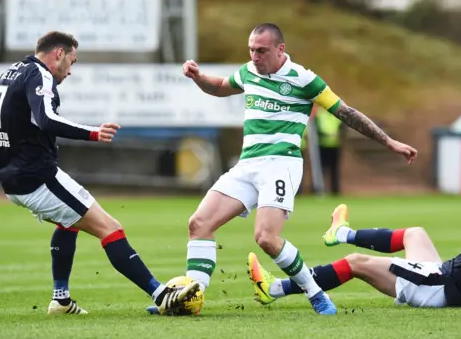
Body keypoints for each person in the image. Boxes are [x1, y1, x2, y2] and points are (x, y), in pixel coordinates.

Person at [148, 23, 418, 315]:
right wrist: (199, 77)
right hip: (247, 165)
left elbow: (346, 113)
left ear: (280, 49)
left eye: (261, 50)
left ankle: (315, 294)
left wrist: (389, 141)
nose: (255, 56)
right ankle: (191, 300)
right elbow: (221, 87)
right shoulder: (249, 71)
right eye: (251, 50)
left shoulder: (304, 79)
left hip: (281, 164)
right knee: (198, 225)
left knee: (266, 238)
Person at [0, 31, 199, 316]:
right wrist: (93, 132)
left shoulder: (12, 72)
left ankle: (60, 300)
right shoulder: (40, 75)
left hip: (12, 178)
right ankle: (161, 295)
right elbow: (47, 119)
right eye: (72, 61)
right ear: (58, 53)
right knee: (110, 228)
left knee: (68, 223)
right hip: (37, 176)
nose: (70, 70)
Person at [248, 182, 461, 308]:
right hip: (444, 277)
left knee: (355, 263)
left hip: (439, 286)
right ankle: (342, 233)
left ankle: (275, 288)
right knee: (415, 233)